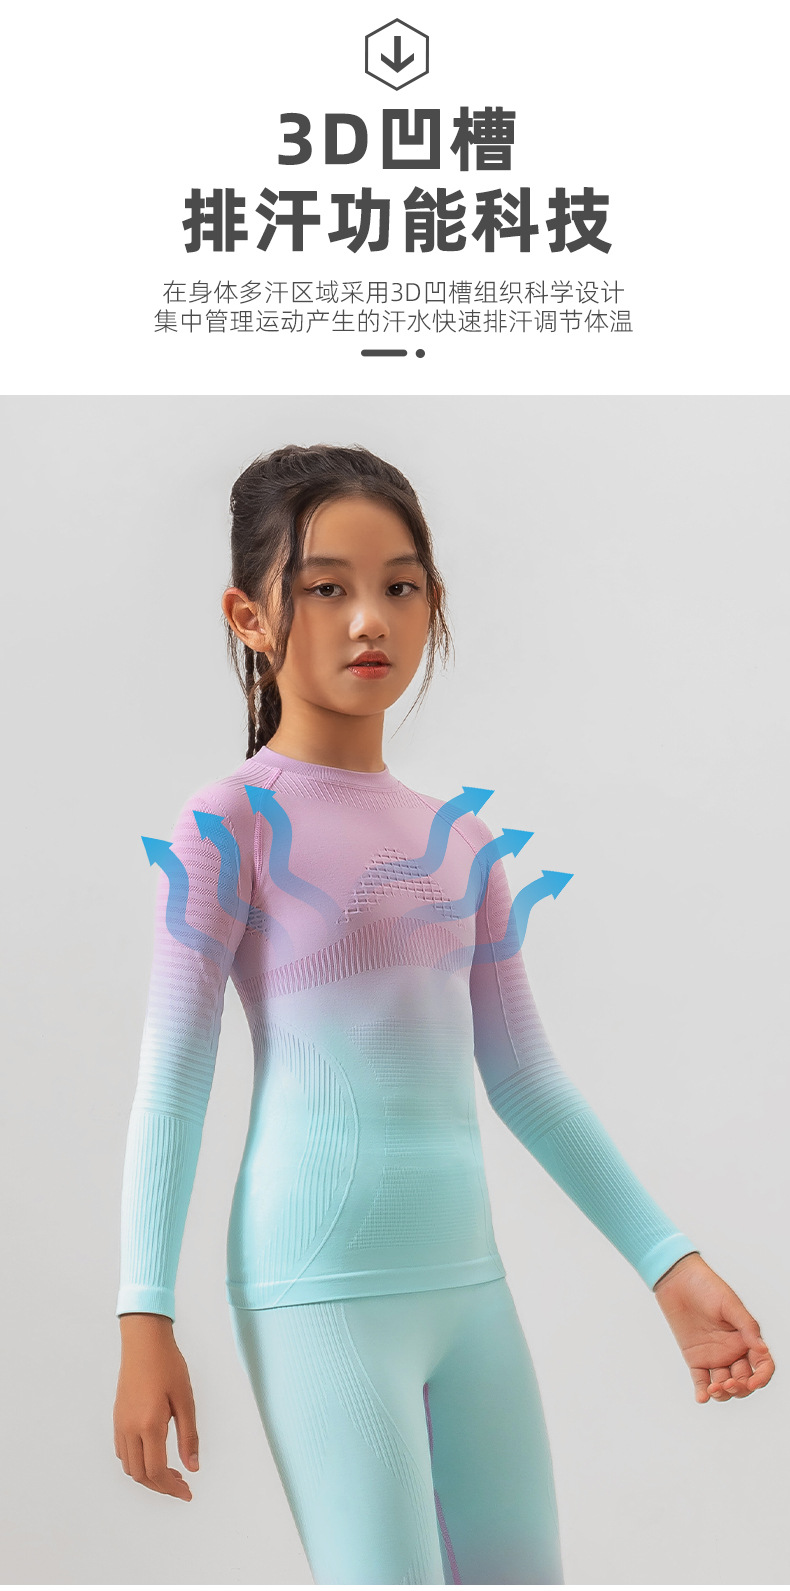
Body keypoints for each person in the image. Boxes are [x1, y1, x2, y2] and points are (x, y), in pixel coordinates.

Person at [113, 443, 775, 1586]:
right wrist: (144, 1316)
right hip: (317, 1284)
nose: (369, 617)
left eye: (400, 584)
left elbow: (525, 1078)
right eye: (326, 587)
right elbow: (174, 1073)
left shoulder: (461, 841)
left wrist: (669, 1264)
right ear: (249, 616)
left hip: (469, 1286)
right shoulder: (231, 822)